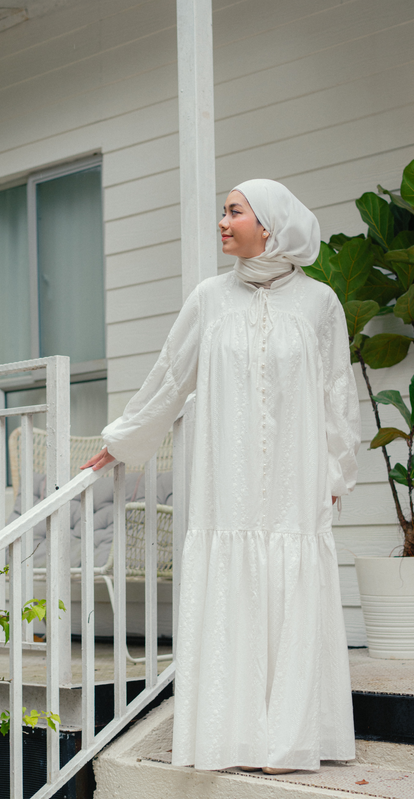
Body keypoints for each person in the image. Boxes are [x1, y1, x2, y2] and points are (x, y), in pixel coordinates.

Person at [82, 179, 361, 773]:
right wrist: (122, 438)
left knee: (291, 581)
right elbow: (170, 374)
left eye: (234, 212)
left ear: (270, 224)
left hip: (295, 479)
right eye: (223, 212)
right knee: (232, 583)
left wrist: (337, 472)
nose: (222, 222)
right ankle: (229, 737)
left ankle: (290, 741)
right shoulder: (210, 298)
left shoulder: (320, 304)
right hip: (225, 479)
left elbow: (339, 395)